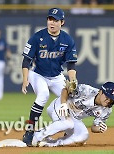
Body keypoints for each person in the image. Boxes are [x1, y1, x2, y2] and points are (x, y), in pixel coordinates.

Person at [21, 7, 78, 146]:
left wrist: (72, 81)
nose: (51, 22)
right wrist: (25, 79)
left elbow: (71, 65)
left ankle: (69, 131)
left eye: (55, 20)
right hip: (38, 74)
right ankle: (29, 131)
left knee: (71, 98)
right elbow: (26, 61)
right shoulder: (37, 37)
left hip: (57, 76)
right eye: (49, 19)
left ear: (62, 22)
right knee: (43, 95)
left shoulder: (67, 40)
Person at [32, 81, 114, 147]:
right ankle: (38, 135)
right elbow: (65, 89)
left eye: (111, 99)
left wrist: (99, 128)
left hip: (74, 117)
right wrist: (63, 104)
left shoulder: (106, 110)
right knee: (67, 123)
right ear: (100, 92)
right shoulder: (86, 90)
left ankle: (51, 143)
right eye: (107, 97)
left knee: (83, 136)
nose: (109, 101)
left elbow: (94, 128)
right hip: (60, 107)